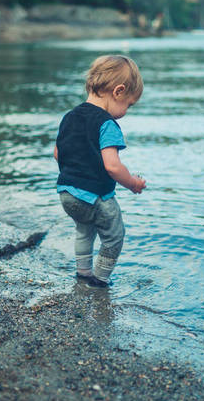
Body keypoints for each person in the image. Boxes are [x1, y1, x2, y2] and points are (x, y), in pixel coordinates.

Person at [54, 55, 147, 287]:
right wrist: (133, 183)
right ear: (118, 91)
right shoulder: (107, 124)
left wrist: (74, 175)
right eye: (129, 104)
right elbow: (112, 166)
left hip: (66, 193)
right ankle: (100, 279)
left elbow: (58, 153)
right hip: (96, 195)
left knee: (84, 230)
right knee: (114, 235)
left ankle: (82, 272)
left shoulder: (69, 117)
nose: (126, 110)